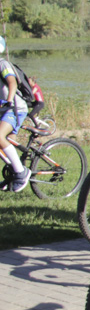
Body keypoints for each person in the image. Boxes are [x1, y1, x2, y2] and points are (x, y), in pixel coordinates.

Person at [0, 36, 31, 193]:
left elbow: (12, 82)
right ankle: (12, 175)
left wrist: (9, 100)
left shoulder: (2, 64)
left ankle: (21, 172)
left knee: (0, 136)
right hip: (3, 109)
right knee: (6, 142)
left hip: (14, 108)